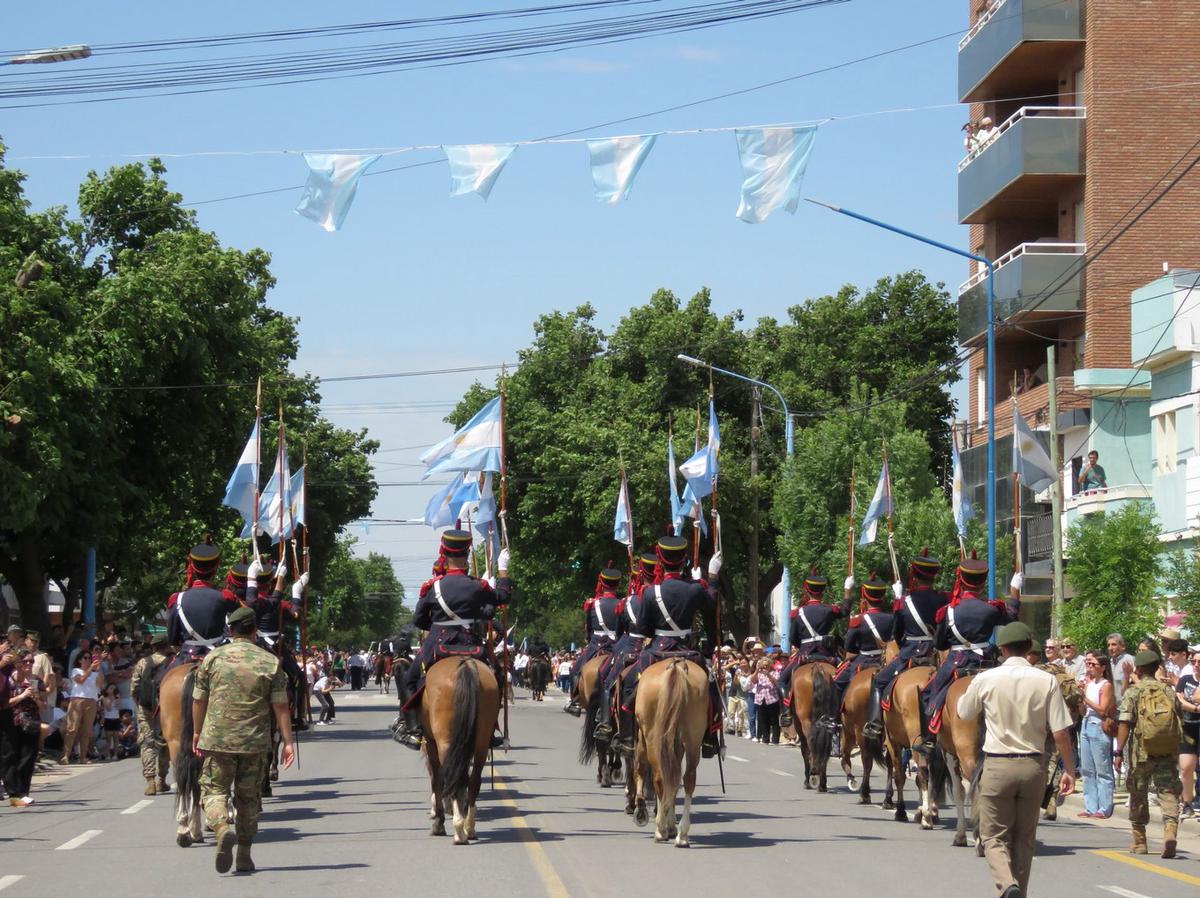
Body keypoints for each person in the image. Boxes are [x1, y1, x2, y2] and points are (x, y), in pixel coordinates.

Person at [957, 622, 1075, 898]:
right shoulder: (1046, 680)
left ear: (1002, 648)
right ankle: (1018, 892)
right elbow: (1060, 733)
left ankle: (1007, 883)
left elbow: (963, 713)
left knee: (993, 836)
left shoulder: (987, 678)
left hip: (998, 764)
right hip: (1034, 765)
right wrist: (1069, 770)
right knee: (1024, 838)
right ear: (1029, 647)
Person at [192, 604, 295, 875]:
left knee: (214, 791)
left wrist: (195, 732)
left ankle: (222, 827)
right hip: (254, 742)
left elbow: (198, 700)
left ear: (230, 629)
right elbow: (281, 706)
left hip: (217, 739)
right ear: (254, 631)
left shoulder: (212, 659)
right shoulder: (270, 661)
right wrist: (288, 741)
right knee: (249, 800)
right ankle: (245, 856)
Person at [393, 530, 512, 749]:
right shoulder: (478, 586)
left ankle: (411, 728)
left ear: (444, 554)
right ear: (467, 553)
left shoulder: (433, 586)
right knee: (496, 676)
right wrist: (502, 570)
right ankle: (489, 728)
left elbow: (419, 620)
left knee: (409, 678)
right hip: (471, 644)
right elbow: (503, 598)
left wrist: (437, 626)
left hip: (438, 642)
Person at [614, 535, 722, 757]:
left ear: (661, 562)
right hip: (688, 650)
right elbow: (712, 603)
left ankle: (626, 732)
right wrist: (711, 576)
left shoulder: (650, 592)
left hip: (657, 651)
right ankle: (710, 737)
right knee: (710, 686)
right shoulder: (694, 589)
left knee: (628, 683)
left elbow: (644, 629)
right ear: (684, 560)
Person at [916, 554, 1017, 755]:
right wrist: (1015, 591)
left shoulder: (949, 611)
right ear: (983, 581)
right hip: (986, 661)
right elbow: (1012, 617)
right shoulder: (991, 609)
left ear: (961, 579)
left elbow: (939, 643)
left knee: (929, 693)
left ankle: (928, 739)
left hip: (957, 662)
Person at [865, 549, 949, 739]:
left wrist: (899, 599)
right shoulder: (944, 598)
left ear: (915, 576)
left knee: (878, 681)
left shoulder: (903, 603)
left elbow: (897, 633)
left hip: (911, 652)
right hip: (939, 654)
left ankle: (875, 722)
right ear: (934, 576)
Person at [1115, 650, 1184, 858]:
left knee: (1138, 794)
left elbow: (1125, 723)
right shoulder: (1168, 691)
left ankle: (1140, 841)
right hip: (1166, 752)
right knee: (1168, 792)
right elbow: (1179, 719)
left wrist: (1118, 751)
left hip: (1141, 753)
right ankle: (1170, 831)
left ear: (1140, 668)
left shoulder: (1134, 692)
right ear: (1156, 668)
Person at [593, 550, 656, 744]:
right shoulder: (662, 593)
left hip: (631, 646)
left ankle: (606, 723)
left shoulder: (629, 601)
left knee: (607, 680)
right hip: (658, 645)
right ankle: (709, 734)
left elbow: (621, 633)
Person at [777, 569, 845, 727]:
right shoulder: (830, 610)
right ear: (823, 591)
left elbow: (793, 638)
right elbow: (845, 610)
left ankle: (786, 712)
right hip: (828, 656)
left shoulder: (798, 613)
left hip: (805, 655)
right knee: (845, 680)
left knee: (782, 681)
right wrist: (847, 593)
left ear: (807, 590)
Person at [168, 540, 238, 668]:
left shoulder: (176, 598)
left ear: (192, 567)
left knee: (158, 682)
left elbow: (173, 640)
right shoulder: (225, 597)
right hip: (218, 655)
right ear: (216, 568)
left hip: (187, 656)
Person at [832, 575, 895, 718]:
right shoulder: (891, 618)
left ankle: (833, 719)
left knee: (836, 682)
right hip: (887, 661)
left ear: (865, 598)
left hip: (863, 660)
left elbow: (850, 647)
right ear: (883, 597)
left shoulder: (857, 620)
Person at [566, 565, 623, 716]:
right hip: (616, 645)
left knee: (575, 669)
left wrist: (589, 639)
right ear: (617, 584)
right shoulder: (623, 604)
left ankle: (575, 700)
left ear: (602, 583)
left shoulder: (592, 604)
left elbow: (589, 629)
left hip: (597, 644)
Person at [131, 631, 172, 795]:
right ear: (167, 646)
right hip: (166, 709)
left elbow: (134, 687)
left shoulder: (143, 662)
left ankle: (150, 781)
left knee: (147, 743)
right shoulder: (172, 662)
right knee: (165, 744)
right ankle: (162, 779)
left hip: (146, 708)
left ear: (154, 646)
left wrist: (140, 704)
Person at [1079, 650, 1116, 818]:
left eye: (1093, 664)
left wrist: (1085, 699)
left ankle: (1105, 807)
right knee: (1087, 768)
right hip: (1086, 723)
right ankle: (1090, 806)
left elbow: (1103, 709)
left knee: (1102, 769)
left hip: (1098, 725)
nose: (1090, 667)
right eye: (1088, 664)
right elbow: (1083, 709)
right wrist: (1079, 699)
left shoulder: (1106, 685)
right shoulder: (1089, 683)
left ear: (1102, 667)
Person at [3, 651, 42, 807]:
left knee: (28, 758)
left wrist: (36, 697)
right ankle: (15, 793)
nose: (29, 665)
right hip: (11, 721)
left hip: (31, 723)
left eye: (31, 662)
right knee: (11, 757)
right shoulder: (9, 680)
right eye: (25, 662)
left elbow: (43, 706)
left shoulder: (37, 681)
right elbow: (5, 703)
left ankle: (23, 793)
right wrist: (23, 695)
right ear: (18, 663)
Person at [60, 648, 104, 764]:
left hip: (91, 701)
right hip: (77, 701)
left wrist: (98, 669)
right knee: (72, 729)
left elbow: (100, 684)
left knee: (87, 731)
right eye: (85, 658)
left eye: (90, 658)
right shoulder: (76, 670)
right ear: (80, 660)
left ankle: (83, 757)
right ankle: (66, 755)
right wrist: (90, 669)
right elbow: (81, 680)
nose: (88, 660)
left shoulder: (94, 674)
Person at [1177, 646, 1200, 818]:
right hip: (1187, 727)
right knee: (1186, 767)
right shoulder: (1185, 679)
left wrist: (1188, 701)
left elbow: (1184, 700)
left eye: (1199, 662)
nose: (1196, 665)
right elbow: (1179, 701)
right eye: (1194, 661)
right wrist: (1196, 705)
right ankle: (1186, 803)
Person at [752, 658, 781, 744]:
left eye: (767, 665)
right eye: (763, 665)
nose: (765, 666)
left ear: (770, 665)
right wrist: (757, 670)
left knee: (774, 720)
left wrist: (768, 675)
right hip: (760, 699)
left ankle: (775, 739)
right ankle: (765, 738)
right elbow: (753, 681)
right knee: (763, 720)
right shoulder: (759, 674)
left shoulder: (775, 673)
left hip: (772, 699)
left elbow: (776, 683)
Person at [1107, 634, 1136, 705]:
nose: (1110, 648)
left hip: (1125, 706)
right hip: (1112, 707)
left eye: (1114, 644)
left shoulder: (1129, 660)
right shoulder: (1109, 663)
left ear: (1123, 646)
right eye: (1108, 645)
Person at [99, 684, 122, 761]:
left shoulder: (117, 698)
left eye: (114, 689)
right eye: (111, 688)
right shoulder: (104, 698)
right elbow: (108, 708)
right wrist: (111, 699)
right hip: (108, 719)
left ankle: (115, 754)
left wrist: (117, 700)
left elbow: (119, 708)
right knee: (108, 738)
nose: (113, 690)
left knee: (116, 738)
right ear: (107, 690)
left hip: (116, 718)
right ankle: (108, 754)